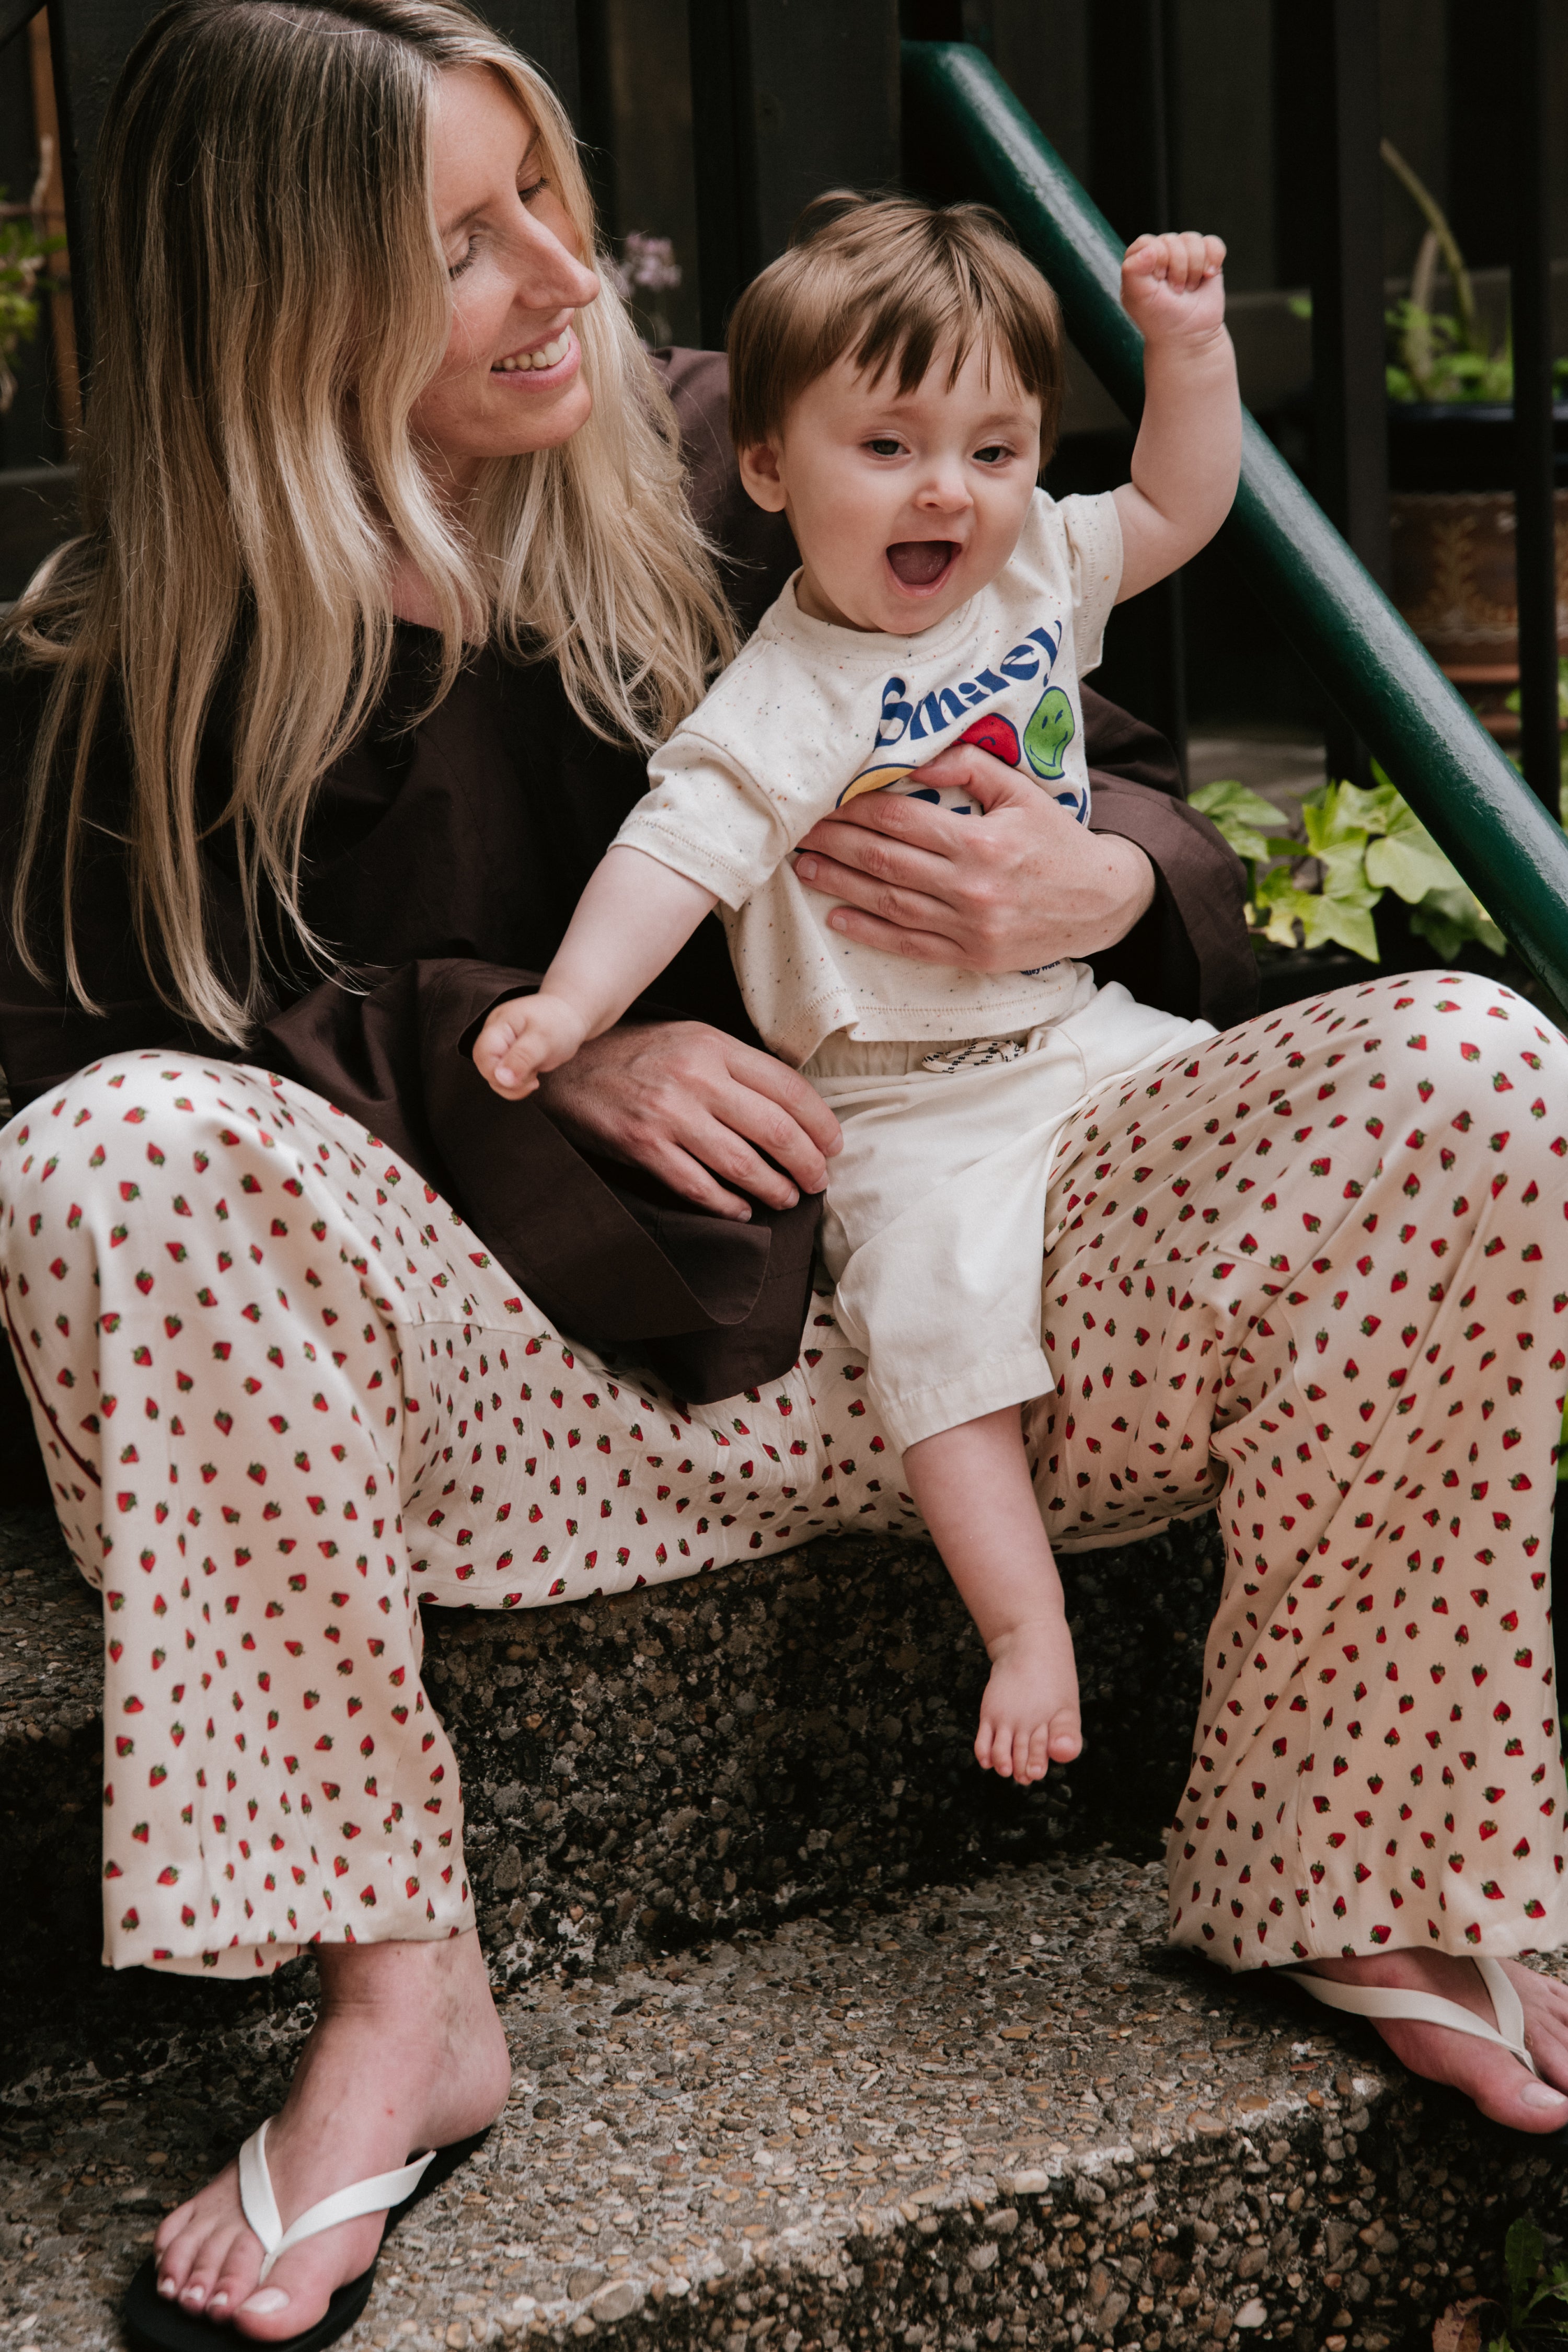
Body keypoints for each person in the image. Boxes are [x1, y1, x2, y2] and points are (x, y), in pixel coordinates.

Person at [1, 2, 1566, 2346]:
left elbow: (1097, 735)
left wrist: (1105, 887)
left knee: (1474, 1061)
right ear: (277, 298)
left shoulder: (769, 451)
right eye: (465, 242)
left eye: (549, 194)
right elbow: (108, 1072)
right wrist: (545, 1059)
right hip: (556, 1419)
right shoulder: (134, 677)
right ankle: (405, 1993)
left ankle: (1362, 1863)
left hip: (1003, 1320)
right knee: (112, 1144)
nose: (565, 276)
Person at [469, 194, 1238, 1789]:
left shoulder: (1031, 573)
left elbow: (1177, 502)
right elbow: (668, 855)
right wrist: (571, 1009)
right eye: (887, 447)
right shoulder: (788, 691)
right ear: (770, 470)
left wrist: (1188, 347)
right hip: (902, 1092)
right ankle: (1027, 1625)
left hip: (1083, 1026)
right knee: (934, 1322)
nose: (949, 490)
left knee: (1250, 1111)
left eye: (995, 447)